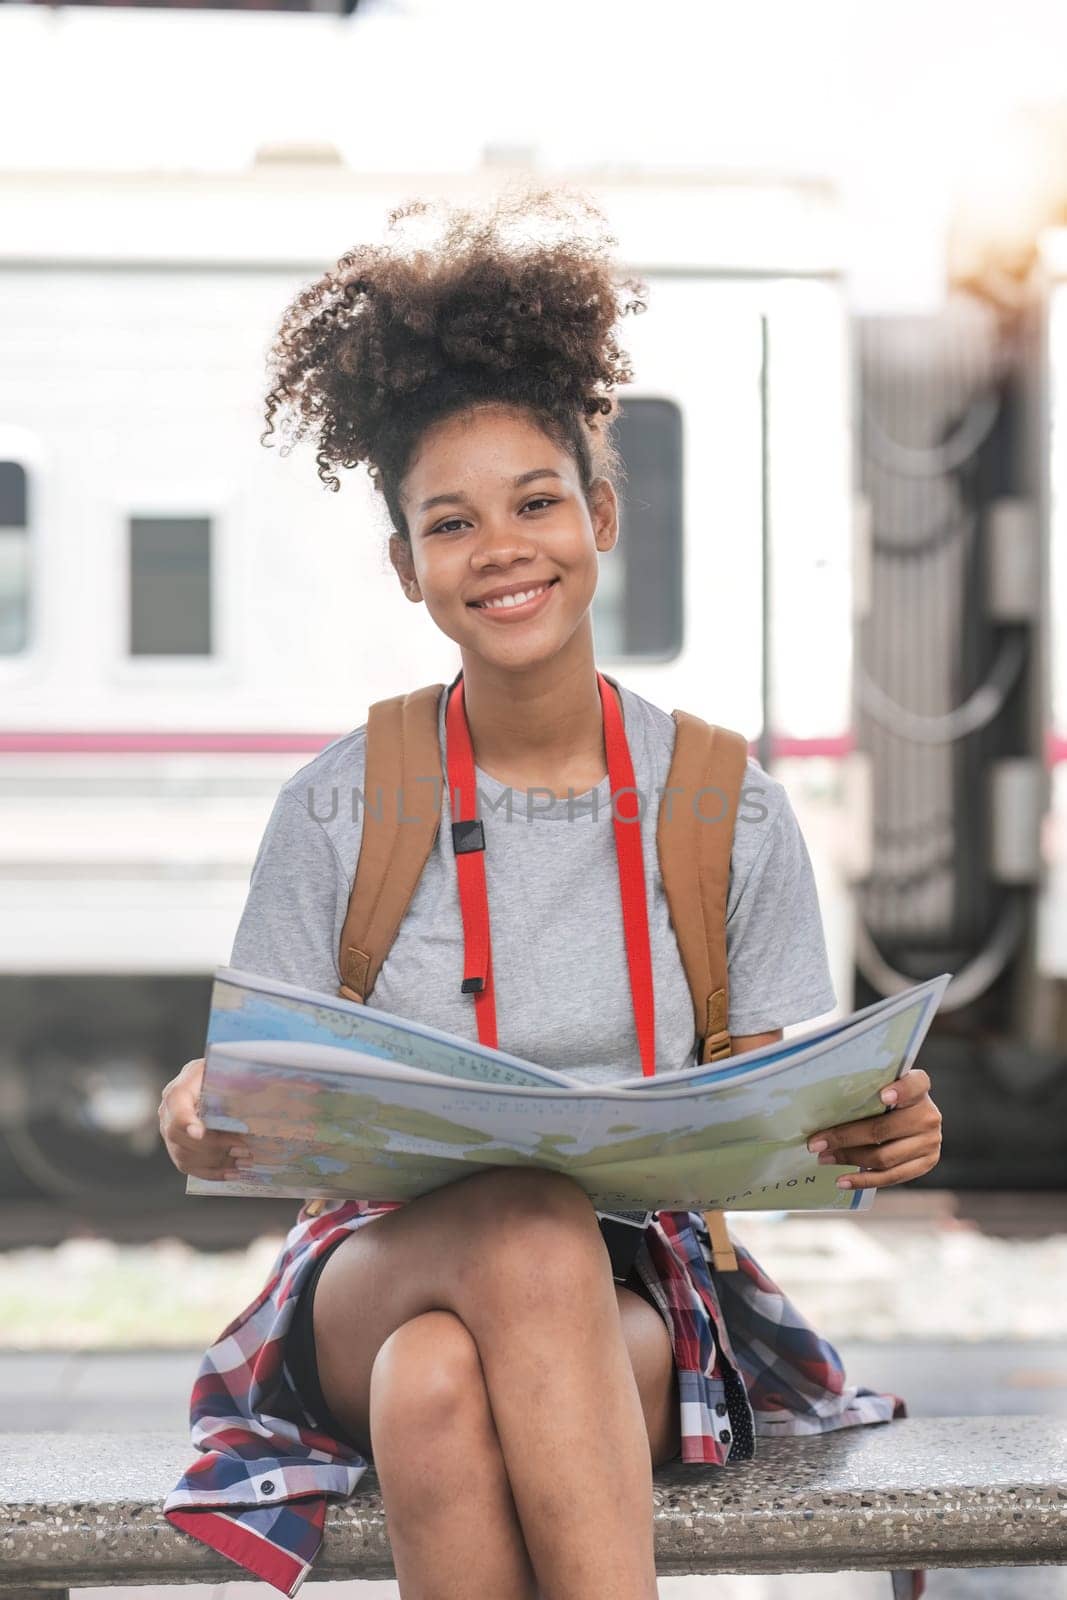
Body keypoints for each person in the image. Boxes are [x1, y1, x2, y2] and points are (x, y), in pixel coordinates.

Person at [158, 187, 943, 1600]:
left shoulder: (721, 800)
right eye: (451, 524)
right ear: (408, 567)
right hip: (371, 1273)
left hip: (640, 1291)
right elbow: (252, 1107)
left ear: (602, 513)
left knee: (438, 1398)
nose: (502, 546)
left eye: (536, 501)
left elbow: (773, 1123)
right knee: (515, 1225)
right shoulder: (341, 802)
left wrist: (873, 1129)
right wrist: (199, 1111)